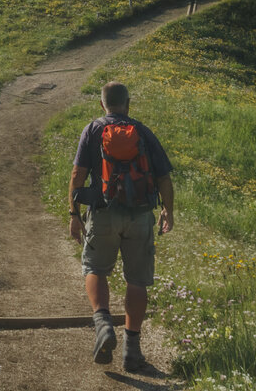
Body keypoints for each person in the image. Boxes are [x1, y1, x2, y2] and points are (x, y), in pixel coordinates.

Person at [69, 81, 175, 374]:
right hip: (140, 216)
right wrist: (168, 210)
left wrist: (74, 214)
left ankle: (103, 324)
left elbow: (78, 174)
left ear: (102, 105)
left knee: (95, 269)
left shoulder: (93, 130)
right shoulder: (142, 132)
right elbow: (164, 177)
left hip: (102, 214)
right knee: (137, 280)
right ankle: (132, 350)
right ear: (128, 104)